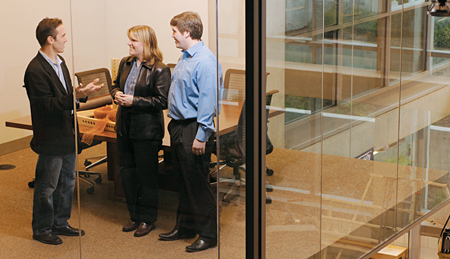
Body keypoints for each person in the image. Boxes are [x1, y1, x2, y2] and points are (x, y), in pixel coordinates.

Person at [24, 17, 103, 245]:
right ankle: (42, 229)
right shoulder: (35, 69)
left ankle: (60, 222)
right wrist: (73, 97)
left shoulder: (61, 62)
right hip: (51, 136)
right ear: (50, 39)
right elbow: (45, 105)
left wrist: (81, 93)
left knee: (67, 181)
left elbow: (66, 97)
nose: (66, 39)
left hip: (68, 133)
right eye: (63, 35)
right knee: (47, 185)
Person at [158, 11, 223, 252]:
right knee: (182, 181)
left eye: (175, 31)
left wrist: (201, 136)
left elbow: (208, 102)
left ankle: (209, 234)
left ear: (187, 32)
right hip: (178, 125)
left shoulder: (205, 61)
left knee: (196, 182)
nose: (172, 35)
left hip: (194, 128)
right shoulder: (186, 57)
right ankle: (184, 226)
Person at [110, 25, 171, 238]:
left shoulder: (160, 69)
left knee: (146, 176)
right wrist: (116, 94)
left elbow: (162, 101)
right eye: (129, 40)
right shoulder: (125, 63)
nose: (129, 43)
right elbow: (115, 85)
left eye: (133, 40)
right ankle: (134, 216)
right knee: (127, 173)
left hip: (146, 130)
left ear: (145, 43)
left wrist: (134, 101)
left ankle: (147, 219)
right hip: (125, 127)